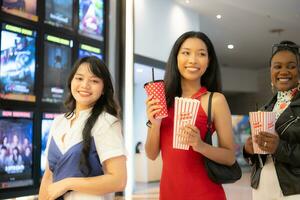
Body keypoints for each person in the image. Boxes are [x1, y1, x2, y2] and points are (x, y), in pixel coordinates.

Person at [145, 31, 236, 199]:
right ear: (176, 58)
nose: (193, 60)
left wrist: (200, 145)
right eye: (186, 53)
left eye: (201, 54)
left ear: (209, 62)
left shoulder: (215, 101)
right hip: (169, 193)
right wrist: (154, 124)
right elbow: (151, 154)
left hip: (206, 193)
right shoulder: (162, 100)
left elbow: (230, 157)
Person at [39, 56, 127, 200]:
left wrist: (67, 184)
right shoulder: (59, 122)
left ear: (104, 89)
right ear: (71, 81)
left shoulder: (107, 123)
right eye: (79, 78)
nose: (85, 85)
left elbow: (119, 181)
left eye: (94, 81)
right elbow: (48, 176)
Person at [243, 40, 300, 200]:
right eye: (277, 66)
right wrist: (248, 150)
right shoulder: (264, 108)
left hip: (294, 190)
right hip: (262, 188)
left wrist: (279, 147)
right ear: (271, 71)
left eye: (291, 66)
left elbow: (279, 148)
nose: (283, 71)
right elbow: (255, 158)